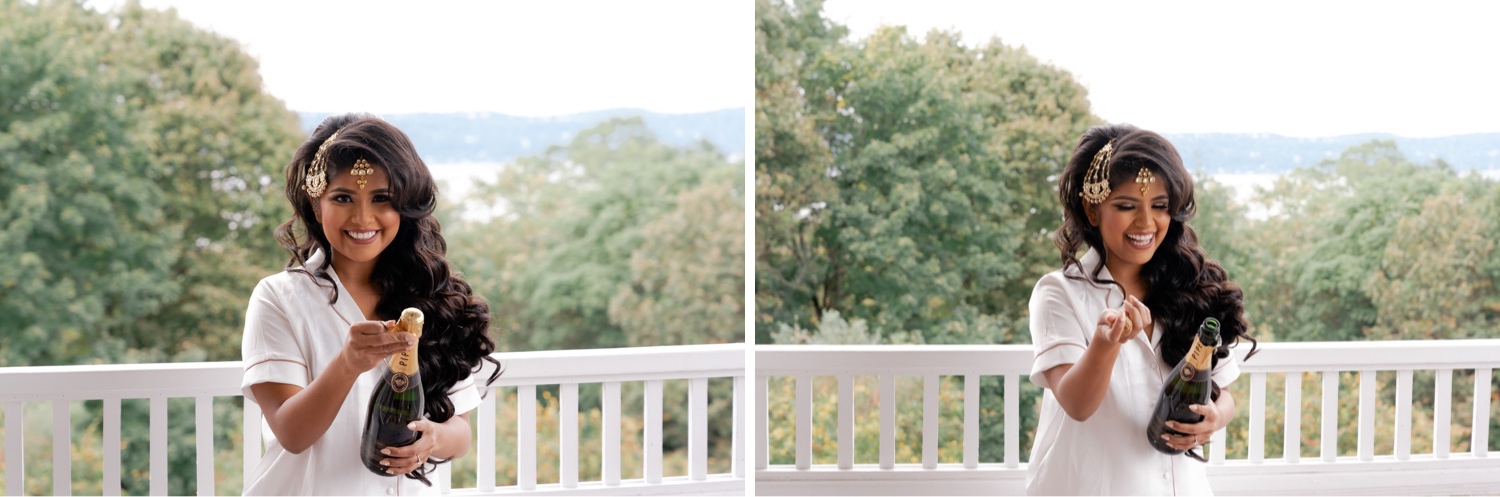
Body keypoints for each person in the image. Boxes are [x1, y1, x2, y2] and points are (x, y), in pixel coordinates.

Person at [240, 113, 501, 495]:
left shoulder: (433, 299)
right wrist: (348, 363)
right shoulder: (278, 297)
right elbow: (292, 434)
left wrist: (434, 439)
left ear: (405, 206)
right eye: (343, 198)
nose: (363, 218)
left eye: (382, 199)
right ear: (316, 204)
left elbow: (459, 431)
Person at [1025, 123, 1257, 495]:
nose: (1146, 223)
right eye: (1126, 206)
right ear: (1092, 208)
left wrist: (1214, 418)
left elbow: (1223, 393)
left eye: (1160, 207)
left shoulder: (1190, 288)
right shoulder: (1058, 293)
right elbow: (1077, 404)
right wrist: (1106, 343)